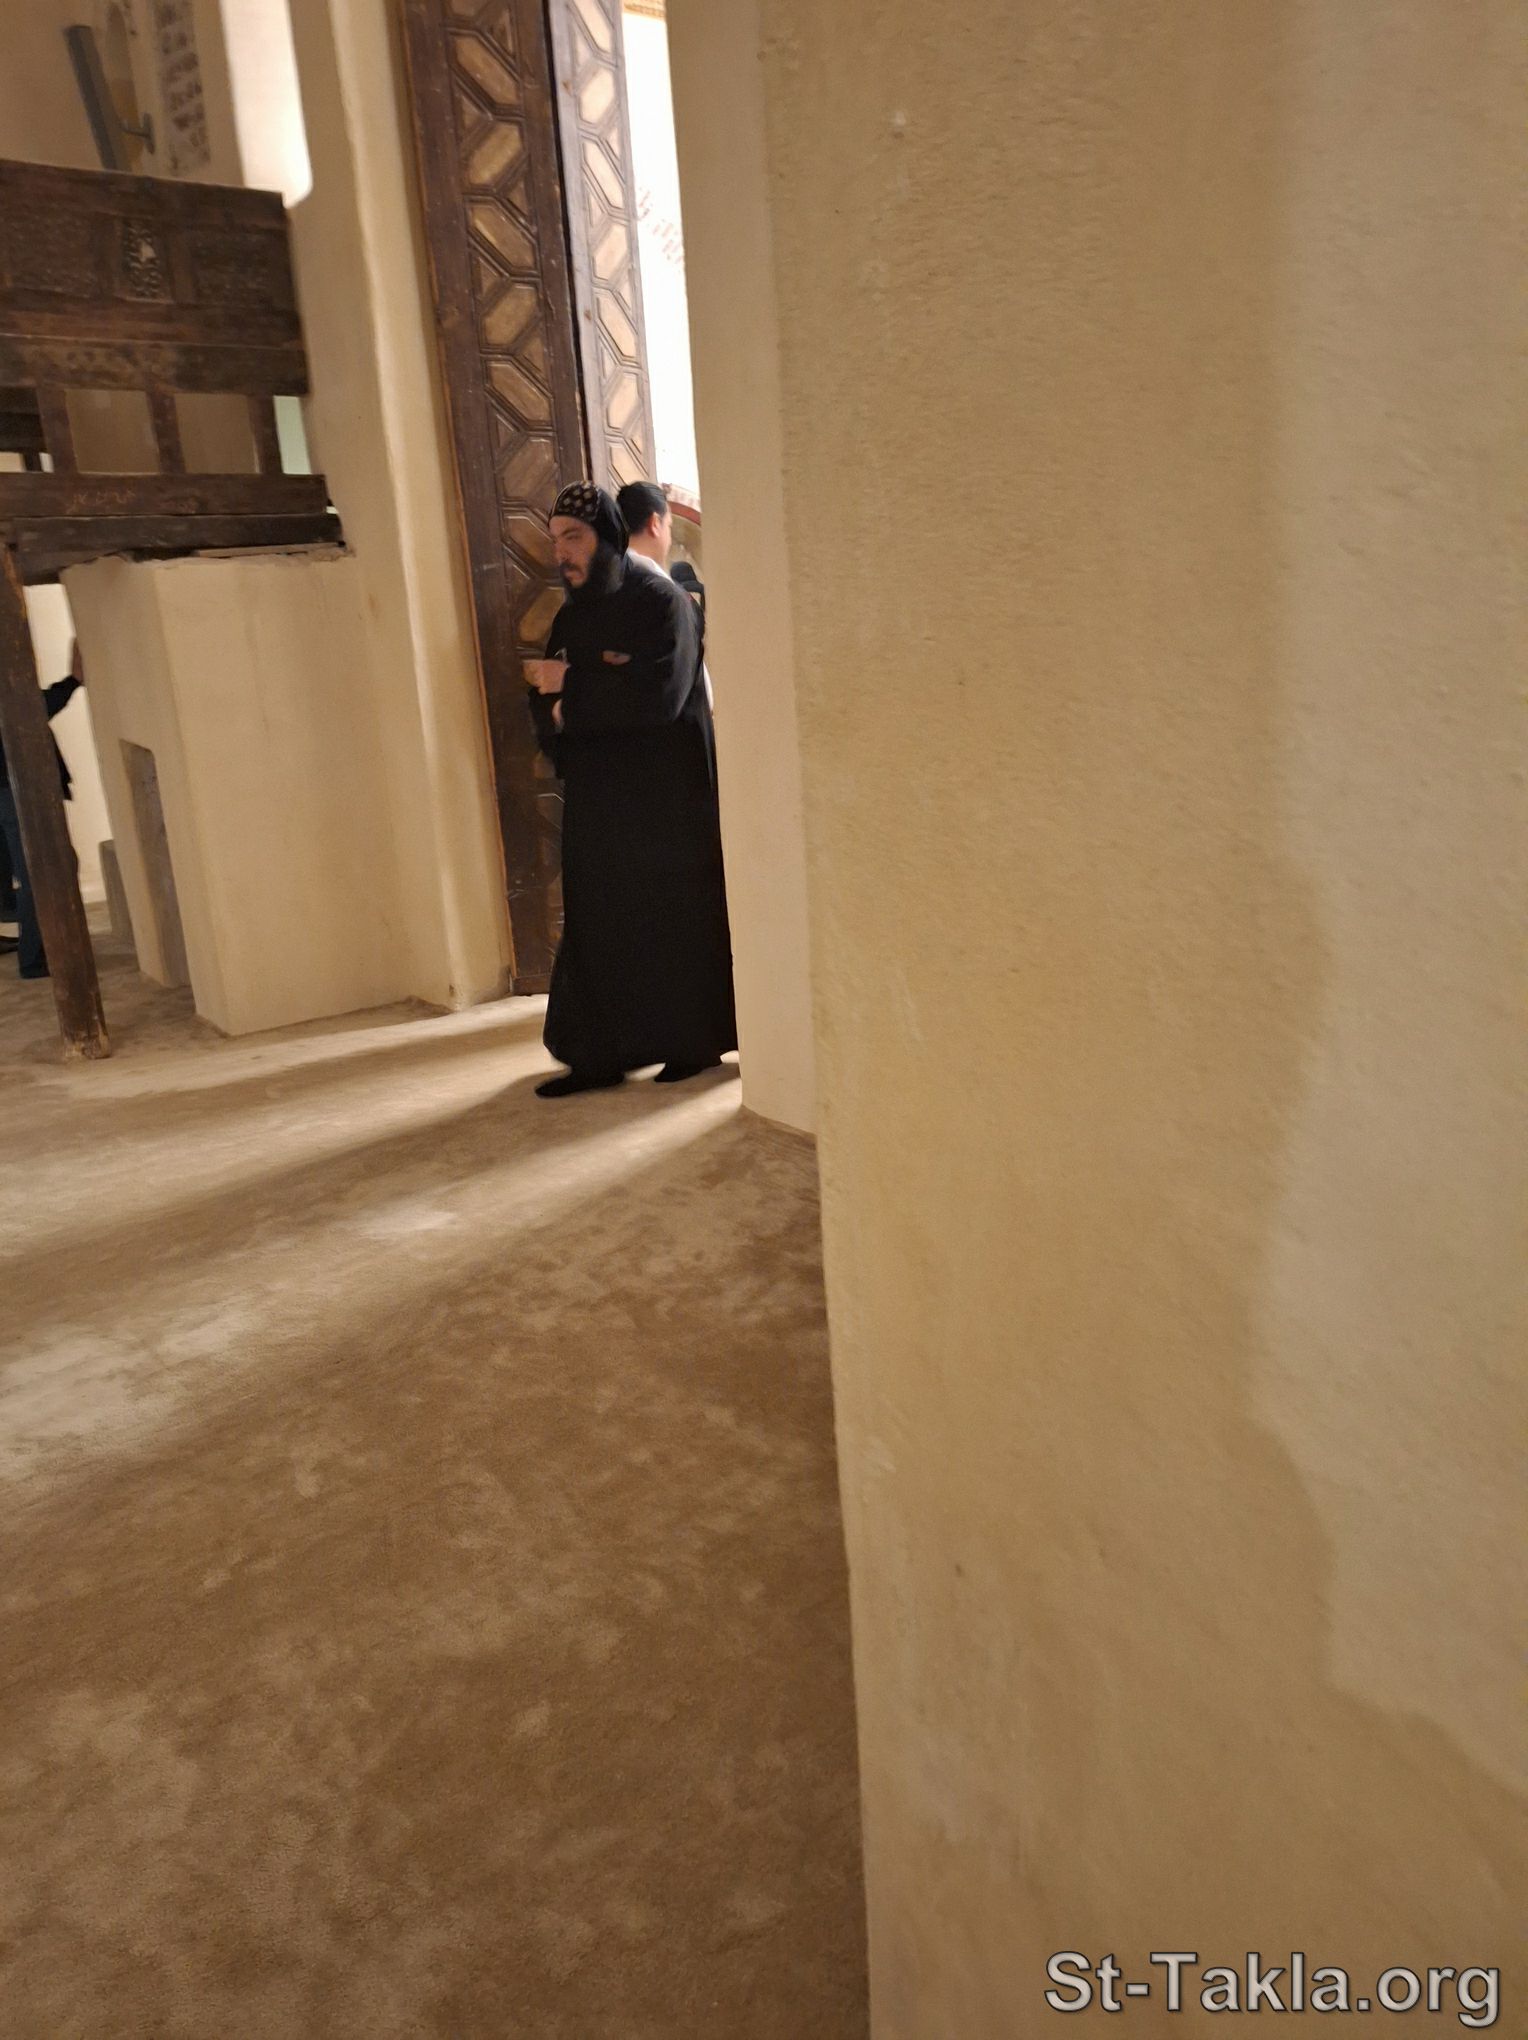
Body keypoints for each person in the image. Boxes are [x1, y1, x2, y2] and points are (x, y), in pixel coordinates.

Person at [525, 480, 737, 1098]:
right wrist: (571, 699)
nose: (562, 553)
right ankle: (599, 1056)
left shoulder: (664, 603)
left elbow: (659, 698)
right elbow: (543, 691)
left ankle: (690, 1047)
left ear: (608, 537)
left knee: (670, 918)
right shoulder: (572, 615)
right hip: (599, 798)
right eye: (556, 540)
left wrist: (573, 691)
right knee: (600, 921)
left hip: (666, 798)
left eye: (574, 537)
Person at [0, 639, 84, 981]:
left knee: (50, 866)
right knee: (42, 870)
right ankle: (35, 957)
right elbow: (28, 714)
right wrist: (72, 681)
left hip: (13, 788)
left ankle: (41, 949)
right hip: (14, 789)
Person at [616, 480, 713, 708]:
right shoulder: (659, 591)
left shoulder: (609, 579)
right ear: (654, 524)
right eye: (668, 525)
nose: (669, 537)